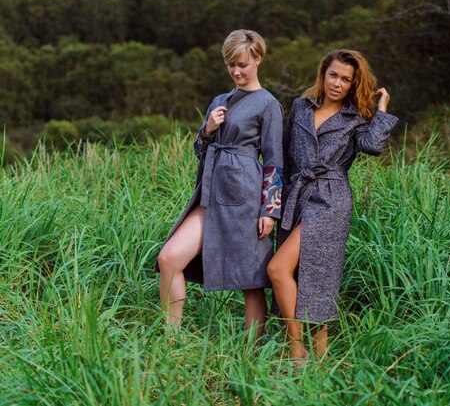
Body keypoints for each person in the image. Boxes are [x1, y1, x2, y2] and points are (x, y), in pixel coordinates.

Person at [267, 49, 398, 363]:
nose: (337, 83)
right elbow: (283, 155)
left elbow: (373, 147)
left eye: (346, 79)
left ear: (354, 84)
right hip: (295, 195)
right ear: (323, 74)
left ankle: (296, 350)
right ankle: (323, 362)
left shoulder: (357, 117)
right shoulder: (300, 106)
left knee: (281, 269)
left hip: (330, 200)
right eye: (333, 75)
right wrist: (271, 205)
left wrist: (380, 110)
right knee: (307, 275)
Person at [155, 29, 283, 339]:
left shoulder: (268, 104)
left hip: (248, 197)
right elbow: (200, 151)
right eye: (231, 65)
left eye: (243, 64)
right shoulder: (220, 100)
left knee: (250, 281)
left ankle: (252, 355)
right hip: (211, 193)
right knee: (169, 258)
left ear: (258, 60)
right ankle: (170, 341)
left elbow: (275, 159)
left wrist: (270, 210)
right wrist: (209, 129)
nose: (237, 71)